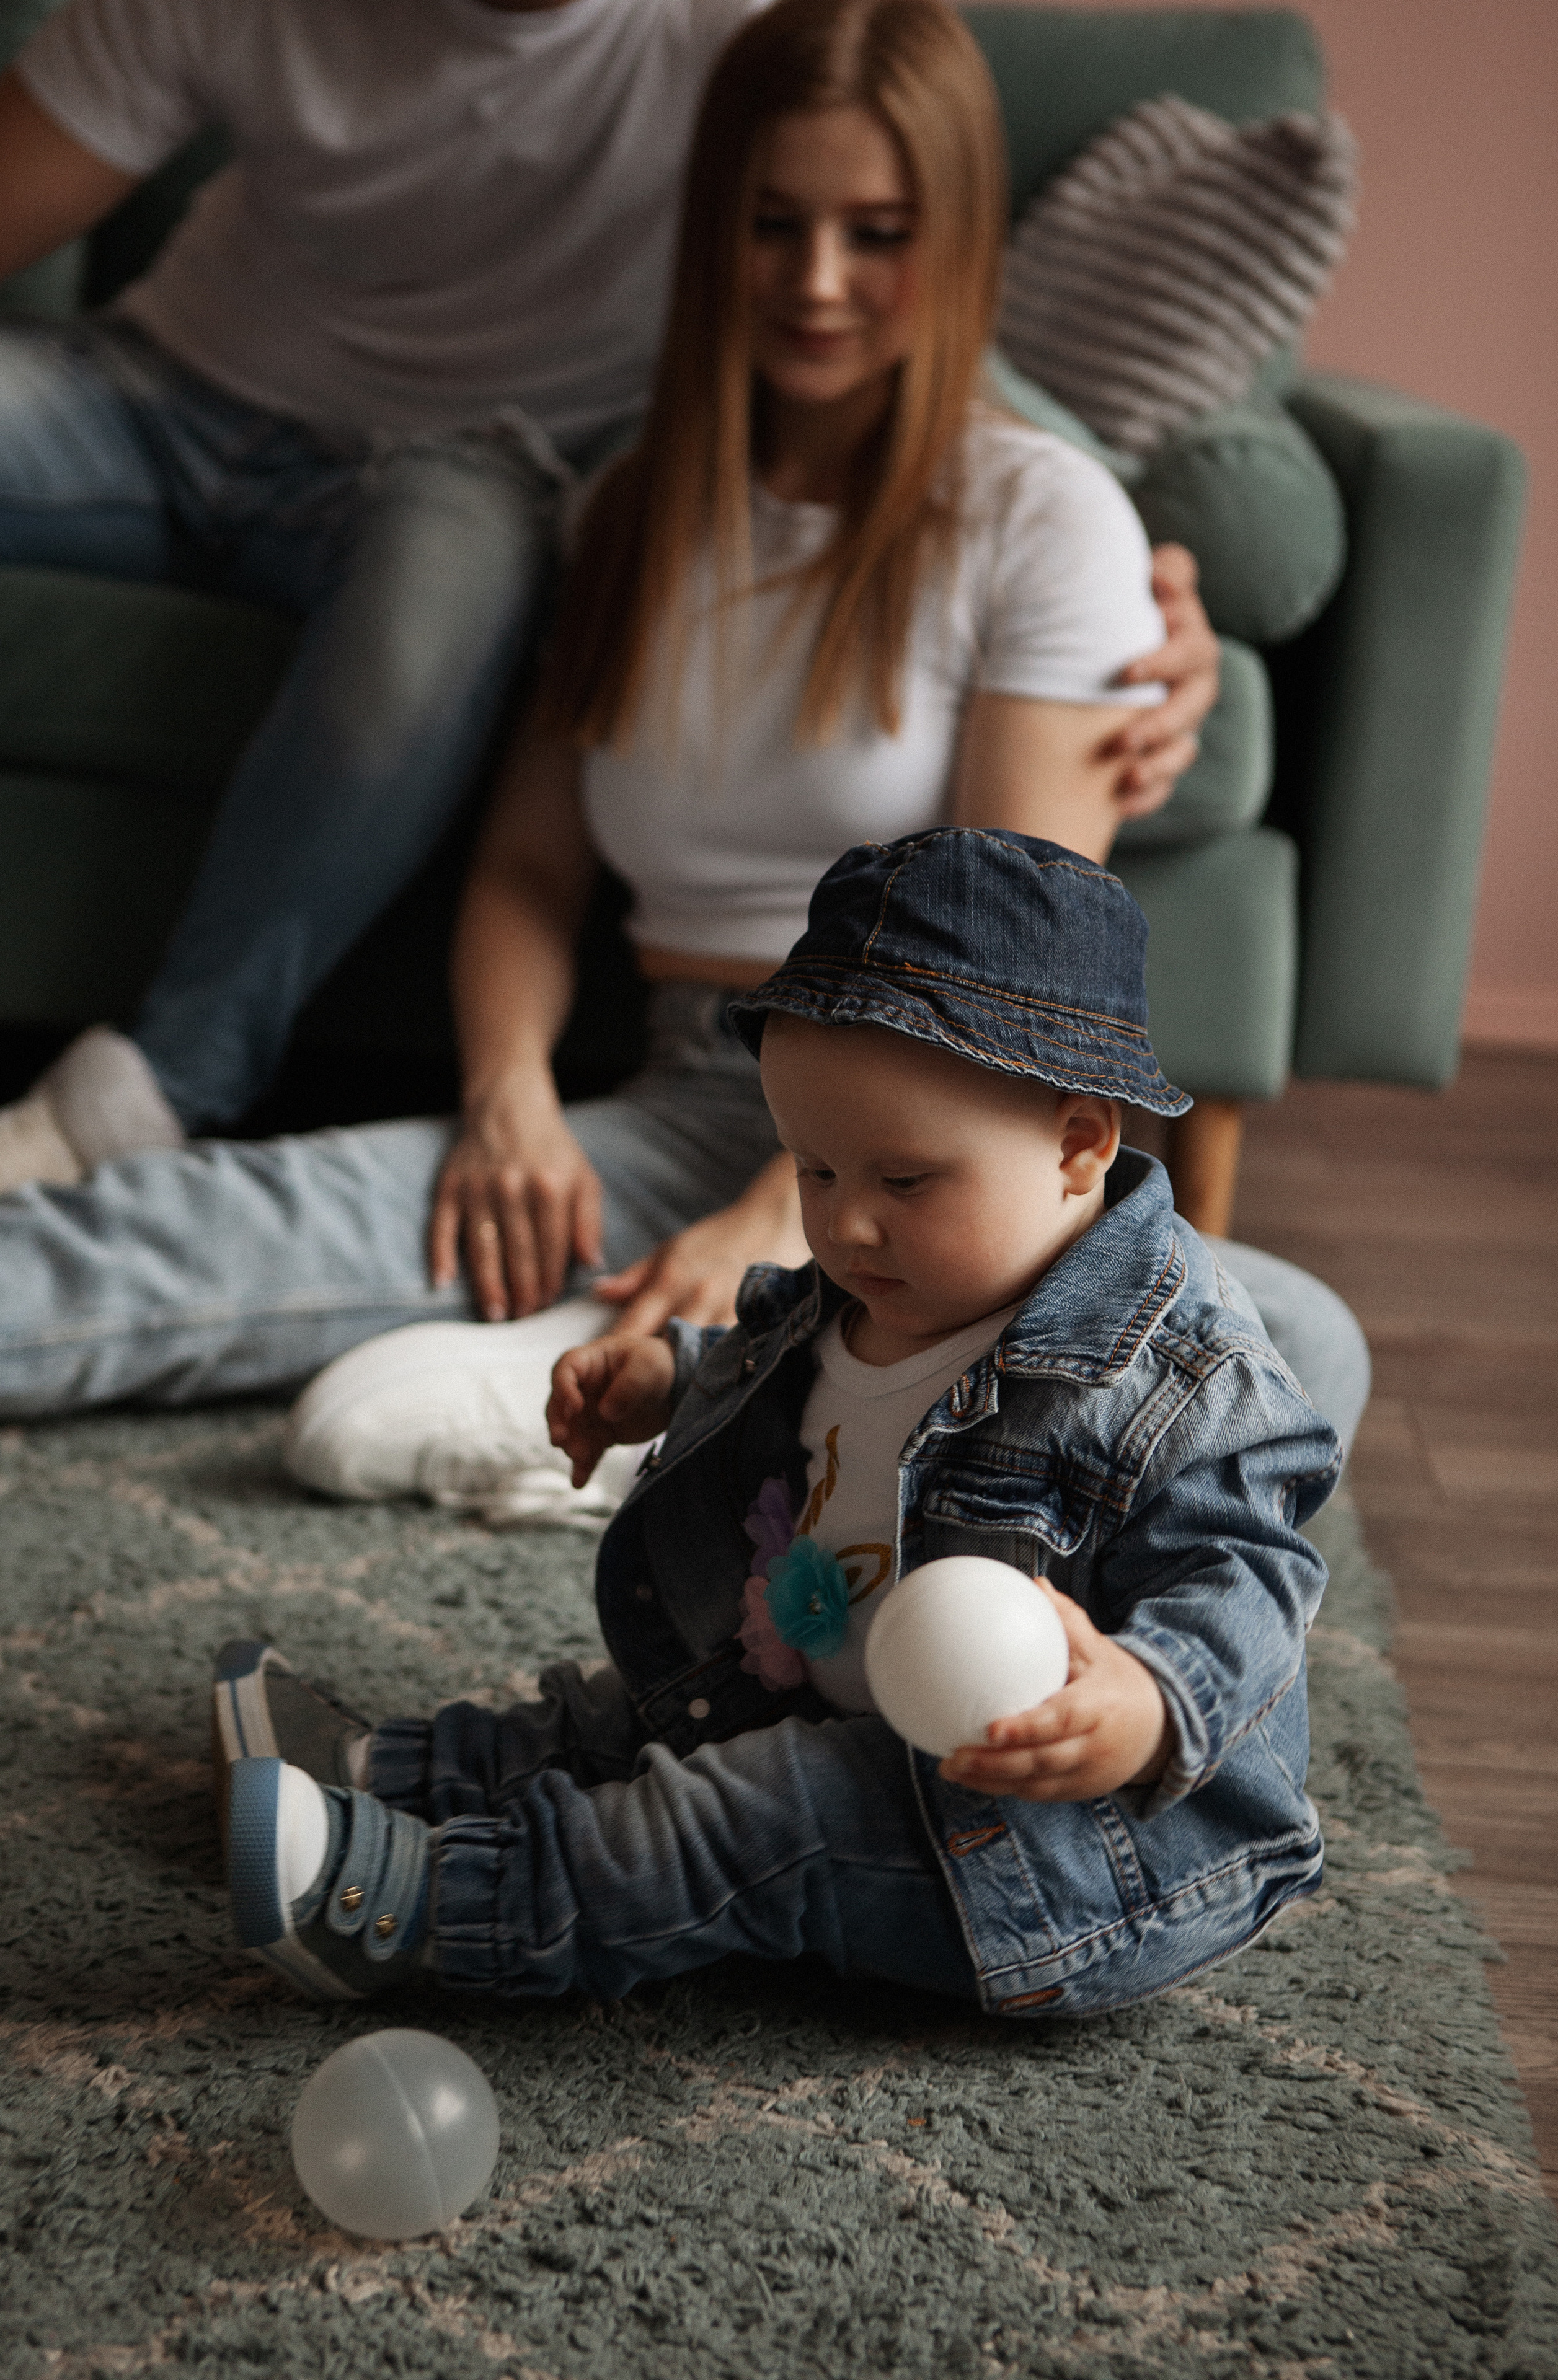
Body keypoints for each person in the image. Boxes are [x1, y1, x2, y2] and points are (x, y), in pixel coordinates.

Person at [0, 0, 1364, 1459]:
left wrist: (791, 1220)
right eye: (773, 223)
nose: (817, 280)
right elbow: (529, 870)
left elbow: (997, 986)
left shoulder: (1042, 518)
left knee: (1287, 1346)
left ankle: (732, 1393)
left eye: (879, 232)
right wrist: (506, 1099)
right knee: (171, 1242)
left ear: (956, 239)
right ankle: (720, 1399)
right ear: (710, 222)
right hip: (671, 1113)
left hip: (930, 1161)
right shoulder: (630, 507)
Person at [211, 827, 1339, 2016]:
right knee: (623, 1712)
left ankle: (436, 1912)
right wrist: (672, 1375)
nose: (845, 1228)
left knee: (733, 1818)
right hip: (824, 1678)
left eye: (902, 1182)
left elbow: (1251, 1581)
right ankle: (386, 1774)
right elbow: (802, 1370)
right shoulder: (894, 1278)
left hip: (1048, 1849)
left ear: (1077, 1145)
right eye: (813, 1171)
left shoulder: (1192, 1379)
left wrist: (1152, 1705)